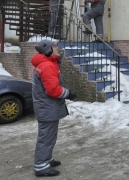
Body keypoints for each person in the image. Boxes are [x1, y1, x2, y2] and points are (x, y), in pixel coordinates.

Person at [31, 39, 77, 177]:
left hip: (47, 107)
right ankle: (41, 166)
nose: (57, 48)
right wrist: (68, 93)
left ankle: (47, 158)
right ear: (48, 49)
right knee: (46, 137)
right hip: (47, 108)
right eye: (55, 46)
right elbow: (53, 90)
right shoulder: (47, 66)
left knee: (49, 136)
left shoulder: (47, 63)